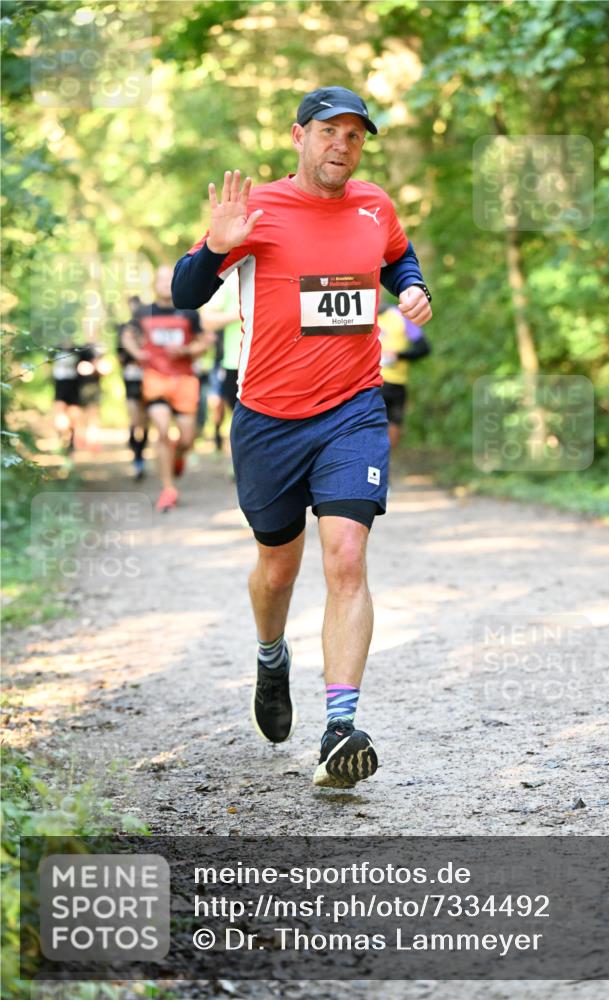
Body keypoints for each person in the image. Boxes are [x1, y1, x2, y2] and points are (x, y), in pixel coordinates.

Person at [172, 86, 432, 787]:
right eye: (329, 132)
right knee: (277, 570)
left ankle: (339, 729)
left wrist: (411, 288)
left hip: (352, 410)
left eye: (354, 135)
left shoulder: (375, 204)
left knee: (345, 556)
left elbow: (397, 260)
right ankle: (269, 655)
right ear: (298, 136)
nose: (342, 145)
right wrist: (212, 250)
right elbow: (185, 294)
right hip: (267, 421)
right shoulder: (258, 210)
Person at [121, 265, 208, 512]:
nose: (164, 283)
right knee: (161, 429)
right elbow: (126, 335)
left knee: (187, 438)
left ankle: (178, 457)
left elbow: (204, 341)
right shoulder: (143, 311)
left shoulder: (190, 311)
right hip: (156, 377)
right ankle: (168, 489)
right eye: (160, 279)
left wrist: (188, 350)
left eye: (169, 279)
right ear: (154, 284)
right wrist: (138, 353)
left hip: (184, 379)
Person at [378, 300, 431, 450]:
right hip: (375, 382)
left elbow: (424, 348)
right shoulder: (361, 317)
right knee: (392, 424)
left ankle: (382, 466)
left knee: (391, 425)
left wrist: (398, 355)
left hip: (392, 382)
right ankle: (384, 466)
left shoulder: (400, 316)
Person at [201, 269, 242, 452]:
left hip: (277, 360)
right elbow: (207, 319)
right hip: (235, 362)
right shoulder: (232, 277)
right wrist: (240, 313)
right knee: (238, 418)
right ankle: (238, 464)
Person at [117, 295, 148, 480]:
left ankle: (139, 457)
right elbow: (119, 356)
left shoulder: (149, 326)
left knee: (144, 420)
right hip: (130, 377)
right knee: (134, 417)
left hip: (147, 377)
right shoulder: (124, 329)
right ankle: (132, 444)